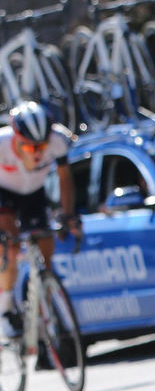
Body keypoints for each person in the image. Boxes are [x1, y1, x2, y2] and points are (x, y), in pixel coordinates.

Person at [0, 100, 80, 340]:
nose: (38, 153)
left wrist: (68, 215)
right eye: (29, 147)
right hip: (3, 193)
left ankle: (43, 309)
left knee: (46, 250)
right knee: (11, 248)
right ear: (16, 138)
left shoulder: (57, 141)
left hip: (33, 194)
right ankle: (5, 309)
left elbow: (65, 180)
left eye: (42, 146)